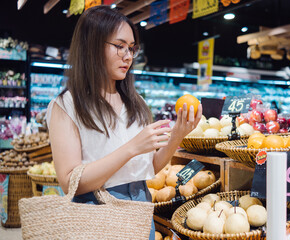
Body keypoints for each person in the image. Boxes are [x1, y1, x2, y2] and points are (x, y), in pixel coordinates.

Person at [46, 6, 202, 240]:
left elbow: (148, 168)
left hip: (140, 206)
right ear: (92, 44)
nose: (127, 56)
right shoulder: (67, 106)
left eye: (131, 48)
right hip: (95, 213)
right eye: (119, 46)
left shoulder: (134, 102)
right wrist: (131, 148)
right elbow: (70, 183)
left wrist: (177, 136)